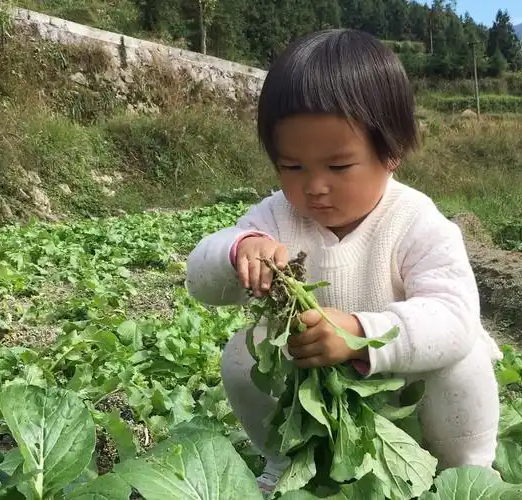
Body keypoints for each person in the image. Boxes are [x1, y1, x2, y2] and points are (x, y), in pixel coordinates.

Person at [185, 28, 503, 493]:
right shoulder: (273, 217)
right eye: (291, 167)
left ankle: (467, 470)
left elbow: (453, 315)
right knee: (241, 354)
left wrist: (358, 336)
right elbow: (199, 282)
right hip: (314, 380)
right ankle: (281, 458)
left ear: (391, 152)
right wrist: (238, 250)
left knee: (467, 356)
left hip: (405, 380)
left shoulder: (415, 220)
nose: (314, 186)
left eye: (338, 167)